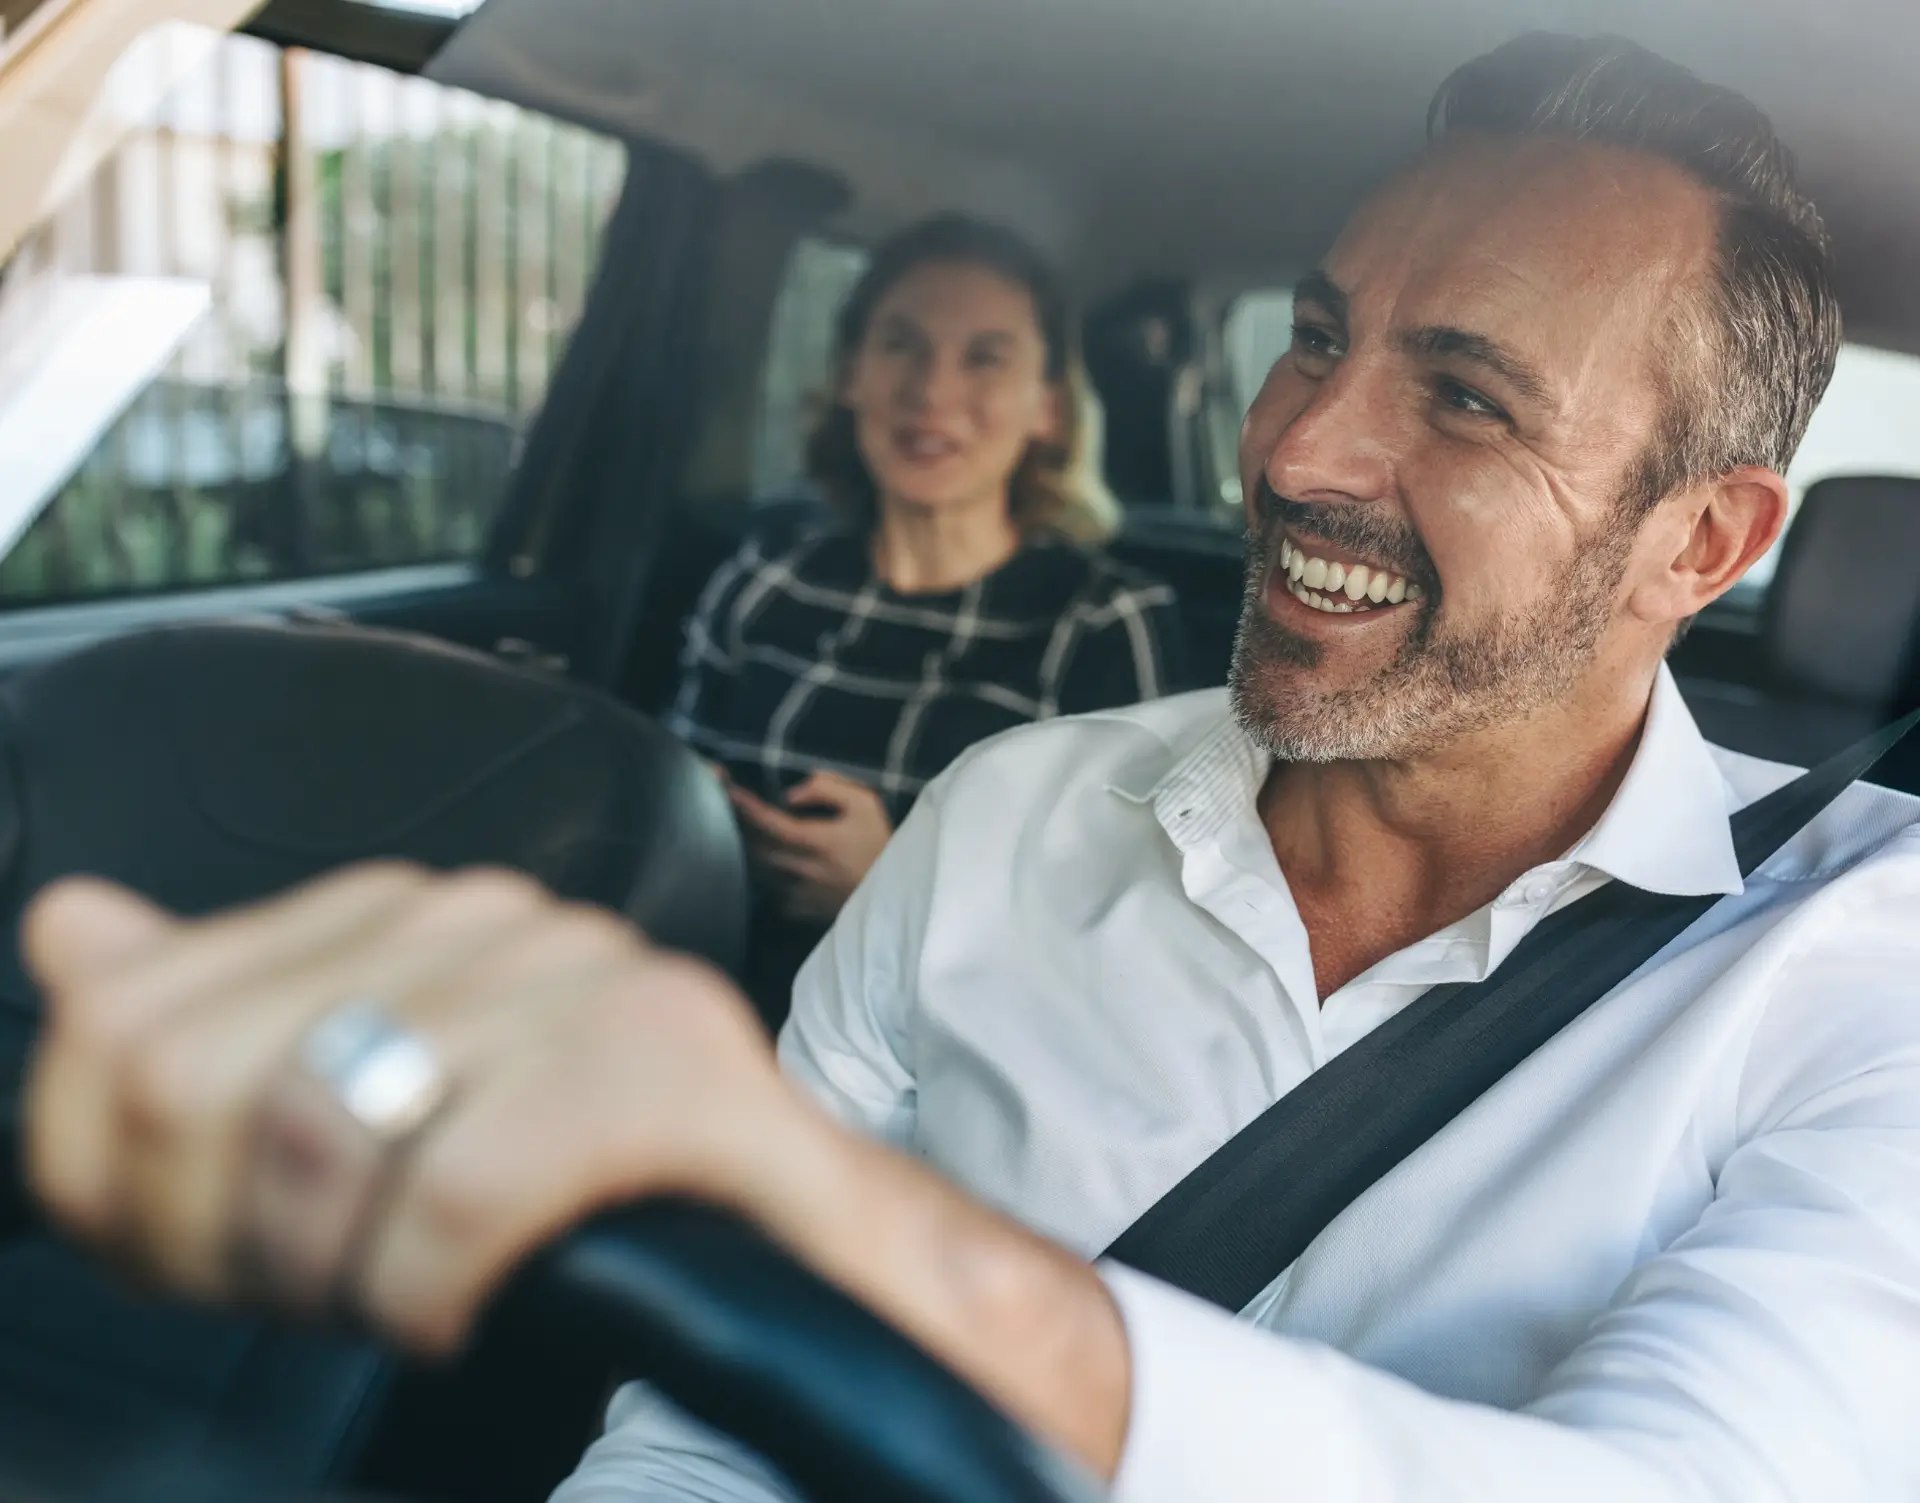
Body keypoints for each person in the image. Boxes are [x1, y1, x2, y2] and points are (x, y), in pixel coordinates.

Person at [19, 31, 1920, 1503]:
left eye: (1468, 393)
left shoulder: (1861, 967)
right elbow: (696, 1431)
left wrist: (831, 1223)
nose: (1298, 450)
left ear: (1703, 543)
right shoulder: (1010, 815)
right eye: (1315, 337)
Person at [665, 214, 1186, 1023]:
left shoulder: (1105, 622)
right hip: (700, 1004)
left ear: (1047, 407)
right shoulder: (768, 573)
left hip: (934, 1050)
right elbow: (673, 782)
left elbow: (1129, 936)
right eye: (901, 345)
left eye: (985, 357)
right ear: (851, 376)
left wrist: (895, 889)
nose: (932, 391)